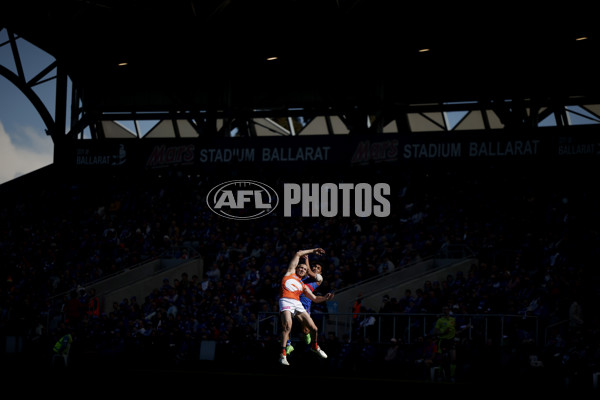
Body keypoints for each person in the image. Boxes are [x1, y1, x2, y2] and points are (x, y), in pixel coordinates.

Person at [279, 247, 333, 366]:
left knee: (314, 329)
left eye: (304, 268)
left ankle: (315, 346)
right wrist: (313, 251)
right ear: (296, 268)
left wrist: (325, 298)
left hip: (297, 303)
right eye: (301, 268)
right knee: (287, 326)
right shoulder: (290, 273)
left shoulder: (303, 285)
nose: (303, 269)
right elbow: (298, 253)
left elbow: (314, 298)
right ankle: (283, 354)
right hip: (286, 301)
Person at [285, 254, 328, 354]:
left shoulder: (319, 279)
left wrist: (306, 260)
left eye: (318, 268)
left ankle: (307, 334)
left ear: (320, 272)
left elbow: (309, 271)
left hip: (304, 305)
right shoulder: (302, 276)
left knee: (305, 329)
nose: (315, 268)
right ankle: (287, 345)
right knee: (286, 324)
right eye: (314, 266)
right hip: (292, 301)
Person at [433, 305, 457, 381]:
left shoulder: (453, 319)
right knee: (442, 360)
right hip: (443, 341)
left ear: (449, 310)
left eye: (446, 309)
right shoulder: (440, 320)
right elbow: (435, 331)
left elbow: (455, 330)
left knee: (453, 359)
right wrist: (443, 332)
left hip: (451, 341)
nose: (445, 311)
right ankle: (440, 375)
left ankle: (452, 377)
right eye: (443, 309)